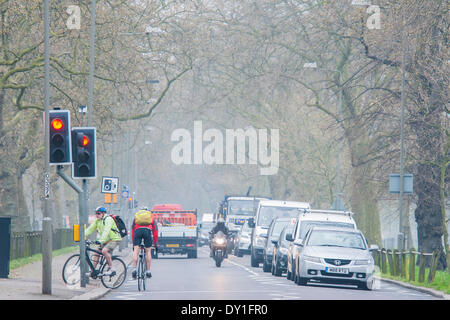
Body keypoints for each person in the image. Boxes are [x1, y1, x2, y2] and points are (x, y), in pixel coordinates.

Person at [85, 206, 122, 276]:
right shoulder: (97, 221)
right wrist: (81, 236)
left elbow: (106, 231)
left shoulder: (108, 219)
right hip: (106, 240)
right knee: (96, 253)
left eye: (98, 213)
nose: (97, 215)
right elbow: (90, 229)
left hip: (114, 239)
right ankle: (93, 272)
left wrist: (100, 240)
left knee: (104, 251)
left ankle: (112, 269)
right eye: (96, 213)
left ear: (103, 213)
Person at [131, 207, 159, 279]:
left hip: (138, 232)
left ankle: (134, 269)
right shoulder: (151, 217)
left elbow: (133, 230)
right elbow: (155, 231)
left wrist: (133, 242)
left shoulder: (136, 217)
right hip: (147, 231)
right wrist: (155, 242)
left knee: (136, 251)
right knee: (148, 251)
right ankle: (148, 271)